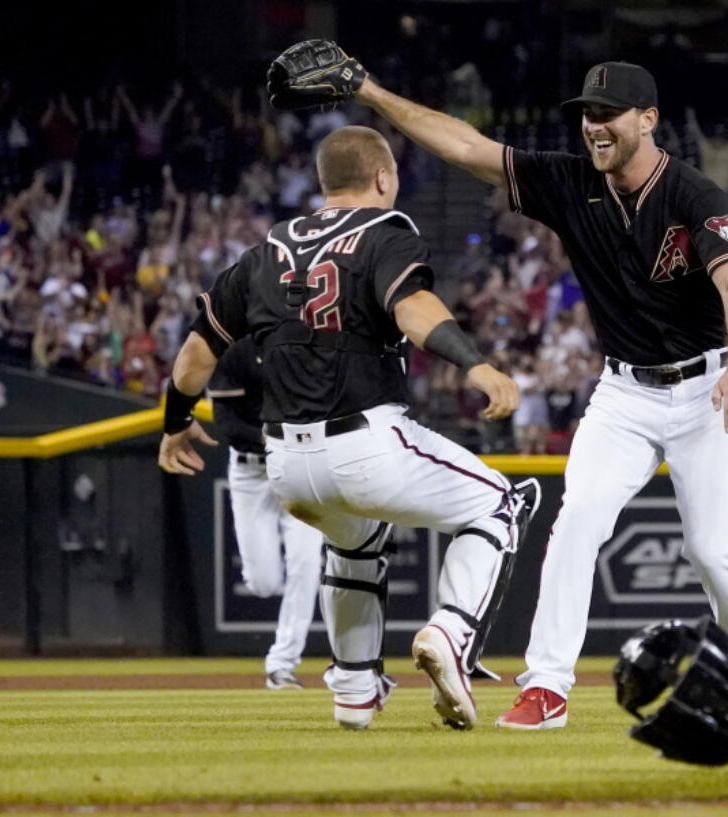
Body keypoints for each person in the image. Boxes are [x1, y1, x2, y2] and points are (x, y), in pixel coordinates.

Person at [336, 52, 728, 727]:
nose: (593, 127)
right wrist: (370, 91)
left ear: (649, 119)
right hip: (624, 392)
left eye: (607, 115)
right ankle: (546, 686)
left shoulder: (693, 193)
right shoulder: (571, 182)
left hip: (705, 388)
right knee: (576, 522)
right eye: (586, 116)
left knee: (712, 548)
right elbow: (466, 145)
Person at [158, 126, 540, 731]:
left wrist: (175, 425)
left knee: (354, 547)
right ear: (384, 178)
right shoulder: (385, 232)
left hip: (283, 461)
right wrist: (477, 364)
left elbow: (193, 360)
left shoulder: (265, 251)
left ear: (323, 183)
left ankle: (357, 689)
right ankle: (450, 633)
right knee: (501, 503)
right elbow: (411, 308)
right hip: (365, 440)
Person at [208, 336, 323, 690]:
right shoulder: (236, 350)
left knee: (306, 563)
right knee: (264, 583)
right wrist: (273, 437)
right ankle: (281, 659)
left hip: (300, 466)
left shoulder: (307, 345)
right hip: (252, 471)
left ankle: (281, 664)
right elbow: (227, 424)